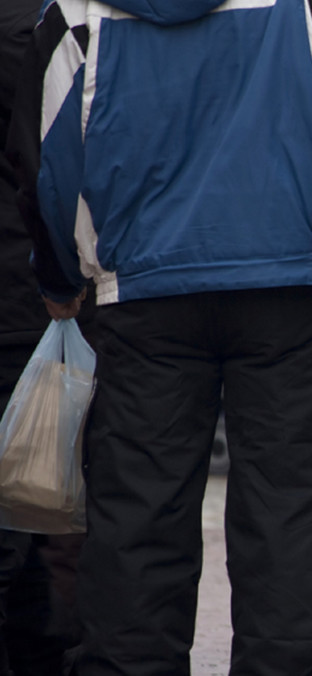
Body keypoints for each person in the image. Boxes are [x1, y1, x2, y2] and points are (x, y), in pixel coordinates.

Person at [5, 0, 312, 673]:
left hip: (141, 291)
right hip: (292, 284)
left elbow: (49, 158)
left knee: (137, 514)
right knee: (288, 509)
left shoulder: (75, 8)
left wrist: (60, 274)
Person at [1, 0, 87, 673]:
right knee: (37, 496)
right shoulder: (43, 27)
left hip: (28, 285)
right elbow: (47, 164)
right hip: (29, 289)